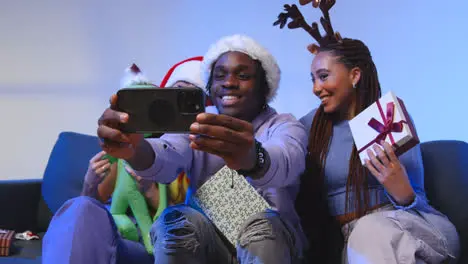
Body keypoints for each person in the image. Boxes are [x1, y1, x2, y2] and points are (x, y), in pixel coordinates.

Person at [274, 1, 460, 263]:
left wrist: (402, 192)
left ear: (355, 75)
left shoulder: (387, 118)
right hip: (356, 242)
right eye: (313, 79)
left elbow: (418, 202)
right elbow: (276, 149)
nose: (316, 88)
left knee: (370, 232)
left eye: (324, 76)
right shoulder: (310, 126)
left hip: (414, 226)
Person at [97, 34, 308, 264]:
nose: (228, 82)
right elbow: (167, 152)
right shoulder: (198, 125)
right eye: (220, 76)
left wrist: (253, 158)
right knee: (176, 220)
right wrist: (134, 150)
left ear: (264, 85)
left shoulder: (284, 125)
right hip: (212, 244)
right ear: (210, 86)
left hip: (274, 243)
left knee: (259, 221)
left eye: (243, 75)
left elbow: (287, 159)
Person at [42, 57, 206, 264]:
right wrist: (90, 183)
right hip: (118, 239)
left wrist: (150, 191)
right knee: (80, 207)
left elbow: (189, 228)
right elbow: (92, 205)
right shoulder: (128, 148)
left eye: (193, 99)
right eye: (177, 94)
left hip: (157, 245)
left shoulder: (201, 155)